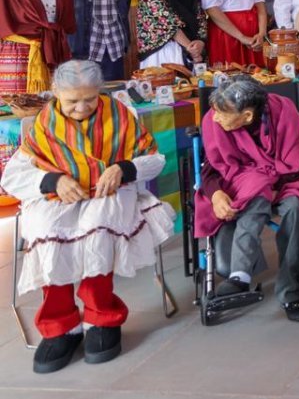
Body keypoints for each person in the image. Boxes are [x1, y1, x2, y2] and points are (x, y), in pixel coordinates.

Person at [0, 60, 175, 373]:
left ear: (100, 92)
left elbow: (154, 158)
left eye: (89, 99)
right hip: (58, 194)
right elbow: (13, 175)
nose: (81, 108)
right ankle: (60, 326)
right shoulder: (44, 121)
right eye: (72, 101)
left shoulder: (121, 115)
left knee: (97, 228)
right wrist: (52, 181)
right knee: (46, 229)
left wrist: (124, 168)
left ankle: (101, 318)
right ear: (55, 94)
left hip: (109, 191)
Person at [194, 76, 299, 322]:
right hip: (238, 182)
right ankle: (239, 275)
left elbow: (294, 164)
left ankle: (291, 292)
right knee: (254, 196)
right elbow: (211, 167)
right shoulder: (214, 121)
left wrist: (262, 178)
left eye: (221, 113)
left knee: (296, 208)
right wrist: (216, 194)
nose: (214, 117)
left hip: (287, 179)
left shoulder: (284, 114)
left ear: (247, 116)